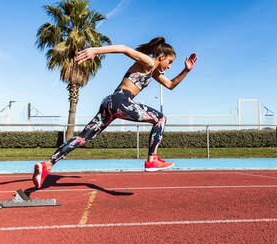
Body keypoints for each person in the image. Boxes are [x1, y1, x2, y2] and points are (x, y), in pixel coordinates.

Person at [32, 37, 198, 188]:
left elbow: (170, 85)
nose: (169, 66)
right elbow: (125, 48)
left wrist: (186, 71)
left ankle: (47, 165)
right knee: (160, 119)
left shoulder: (152, 71)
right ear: (161, 56)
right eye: (169, 62)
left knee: (83, 138)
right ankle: (152, 160)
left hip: (110, 102)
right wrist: (96, 50)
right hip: (121, 101)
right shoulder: (148, 61)